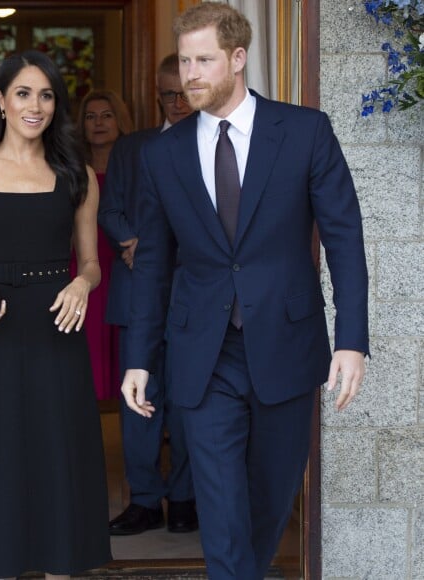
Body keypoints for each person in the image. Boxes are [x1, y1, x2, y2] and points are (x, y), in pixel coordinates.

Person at [120, 3, 369, 579]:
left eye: (204, 59)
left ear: (237, 58)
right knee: (221, 505)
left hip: (287, 344)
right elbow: (153, 264)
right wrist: (139, 358)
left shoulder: (305, 131)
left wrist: (351, 340)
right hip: (203, 356)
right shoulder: (162, 154)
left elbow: (344, 239)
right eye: (184, 61)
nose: (191, 75)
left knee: (268, 500)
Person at [0, 49, 112, 579]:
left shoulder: (76, 174)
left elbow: (92, 264)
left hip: (57, 332)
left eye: (47, 95)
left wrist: (82, 283)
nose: (36, 105)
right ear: (2, 102)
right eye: (25, 93)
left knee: (59, 466)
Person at [99, 54, 198, 536]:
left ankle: (183, 499)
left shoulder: (213, 143)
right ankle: (142, 500)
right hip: (136, 289)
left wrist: (164, 249)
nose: (177, 103)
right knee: (137, 401)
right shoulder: (131, 147)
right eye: (168, 94)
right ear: (155, 95)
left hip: (194, 296)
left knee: (186, 400)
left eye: (185, 92)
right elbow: (110, 207)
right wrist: (134, 241)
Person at [71, 90, 133, 400]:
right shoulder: (70, 170)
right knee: (89, 339)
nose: (98, 123)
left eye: (106, 115)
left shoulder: (136, 166)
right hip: (82, 263)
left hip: (122, 261)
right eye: (90, 117)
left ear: (120, 121)